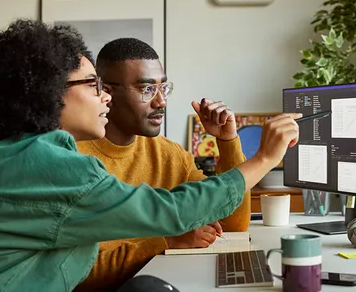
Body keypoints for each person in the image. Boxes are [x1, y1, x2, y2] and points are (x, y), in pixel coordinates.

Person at [0, 19, 301, 292]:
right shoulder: (42, 163)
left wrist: (231, 145)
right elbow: (172, 213)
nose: (104, 96)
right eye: (93, 85)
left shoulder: (16, 156)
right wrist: (264, 157)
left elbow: (219, 222)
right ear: (48, 92)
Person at [74, 38, 250, 290]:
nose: (161, 102)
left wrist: (228, 141)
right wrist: (167, 241)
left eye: (163, 89)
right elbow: (78, 273)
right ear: (108, 93)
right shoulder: (73, 160)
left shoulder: (169, 154)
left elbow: (232, 224)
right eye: (147, 90)